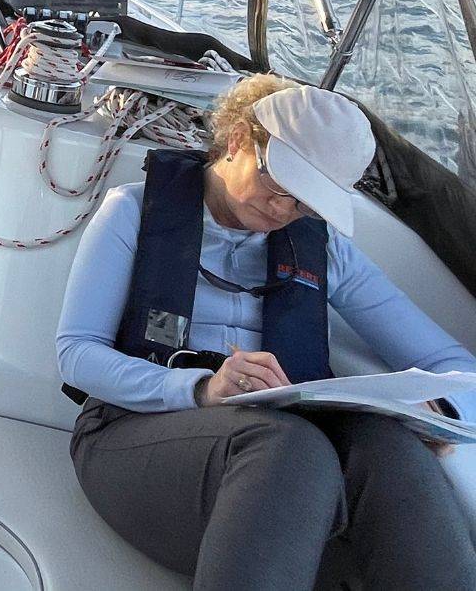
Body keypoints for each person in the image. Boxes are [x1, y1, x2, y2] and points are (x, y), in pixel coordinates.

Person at [58, 76, 476, 589]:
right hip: (134, 433)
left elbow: (455, 368)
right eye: (277, 186)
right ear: (238, 139)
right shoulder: (131, 212)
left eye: (302, 203)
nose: (282, 211)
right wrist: (201, 389)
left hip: (277, 482)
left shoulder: (325, 251)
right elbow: (76, 354)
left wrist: (438, 413)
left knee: (392, 448)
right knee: (289, 447)